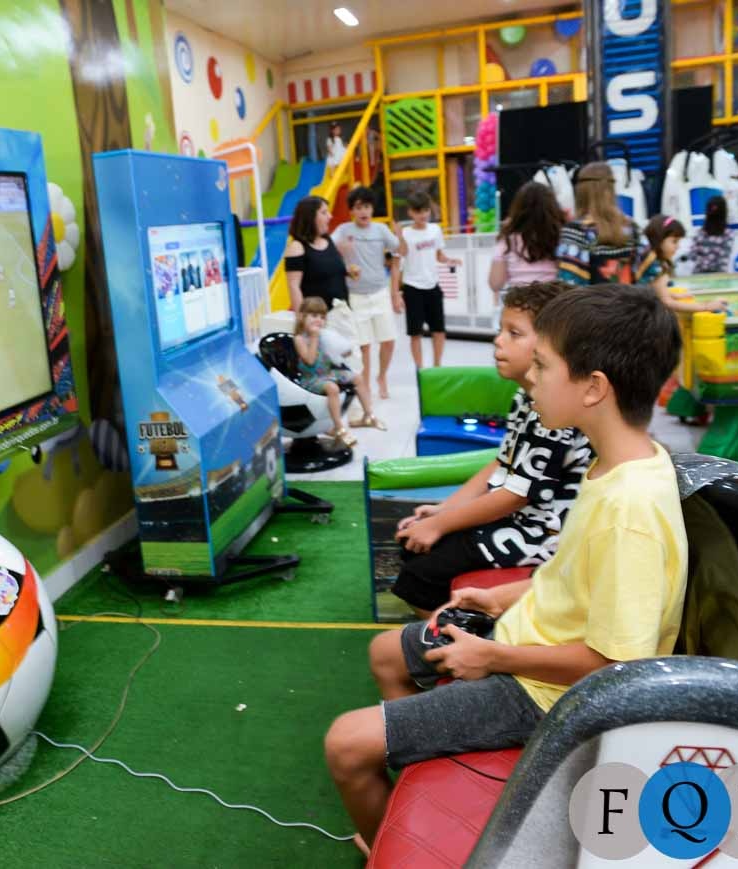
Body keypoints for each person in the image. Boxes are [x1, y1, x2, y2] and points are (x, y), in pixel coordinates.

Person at [324, 283, 687, 853]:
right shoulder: (612, 465)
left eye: (542, 365)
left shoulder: (630, 509)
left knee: (346, 743)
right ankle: (410, 782)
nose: (531, 378)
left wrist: (491, 657)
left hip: (544, 692)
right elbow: (574, 577)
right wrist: (500, 598)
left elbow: (616, 665)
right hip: (525, 637)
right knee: (386, 652)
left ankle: (396, 845)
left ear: (593, 387)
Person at [391, 281, 591, 617]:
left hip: (543, 533)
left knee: (419, 578)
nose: (498, 340)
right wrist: (444, 510)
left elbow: (515, 495)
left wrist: (442, 524)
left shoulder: (555, 410)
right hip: (519, 519)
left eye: (514, 333)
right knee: (412, 548)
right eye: (501, 330)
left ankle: (463, 637)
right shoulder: (525, 396)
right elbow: (501, 463)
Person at [332, 186, 401, 401]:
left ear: (372, 209)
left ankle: (382, 376)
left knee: (388, 341)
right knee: (364, 346)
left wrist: (395, 293)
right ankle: (366, 385)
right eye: (359, 207)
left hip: (380, 292)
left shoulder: (380, 230)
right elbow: (328, 248)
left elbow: (398, 249)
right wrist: (341, 250)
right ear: (352, 211)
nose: (364, 212)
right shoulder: (344, 230)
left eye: (367, 207)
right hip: (356, 296)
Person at [285, 195, 362, 371]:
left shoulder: (328, 241)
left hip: (342, 312)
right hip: (321, 320)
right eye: (324, 212)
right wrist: (303, 321)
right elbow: (294, 286)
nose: (330, 216)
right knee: (336, 368)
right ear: (311, 216)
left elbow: (328, 271)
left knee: (353, 365)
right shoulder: (297, 247)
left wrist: (348, 271)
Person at [292, 297, 382, 448]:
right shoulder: (300, 339)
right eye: (314, 316)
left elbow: (336, 355)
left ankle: (368, 415)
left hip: (327, 373)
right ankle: (339, 427)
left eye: (322, 317)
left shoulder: (324, 335)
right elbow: (310, 361)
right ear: (302, 316)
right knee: (332, 388)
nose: (319, 320)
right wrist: (314, 337)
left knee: (357, 378)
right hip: (310, 379)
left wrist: (343, 350)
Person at [394, 191, 461, 369]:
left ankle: (437, 366)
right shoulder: (406, 234)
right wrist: (396, 293)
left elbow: (438, 255)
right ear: (410, 212)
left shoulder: (435, 230)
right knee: (415, 333)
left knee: (439, 330)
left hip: (433, 286)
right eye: (418, 211)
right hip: (412, 287)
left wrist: (449, 260)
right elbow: (398, 261)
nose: (423, 215)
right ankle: (420, 369)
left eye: (426, 210)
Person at [488, 181, 564, 330]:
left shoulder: (507, 239)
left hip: (519, 307)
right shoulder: (560, 236)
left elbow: (495, 283)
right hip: (552, 307)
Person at [556, 162, 642, 285]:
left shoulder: (575, 231)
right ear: (612, 189)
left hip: (594, 298)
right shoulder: (632, 228)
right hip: (630, 297)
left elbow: (570, 283)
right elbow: (649, 276)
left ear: (580, 191)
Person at [639, 215, 727, 313]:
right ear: (659, 240)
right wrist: (706, 306)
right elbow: (667, 303)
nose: (678, 246)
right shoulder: (656, 266)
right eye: (674, 241)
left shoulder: (651, 258)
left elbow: (656, 291)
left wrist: (674, 295)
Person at [690, 196, 734, 274]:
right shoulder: (728, 233)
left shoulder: (700, 233)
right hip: (718, 274)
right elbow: (724, 257)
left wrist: (703, 260)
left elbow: (693, 255)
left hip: (700, 274)